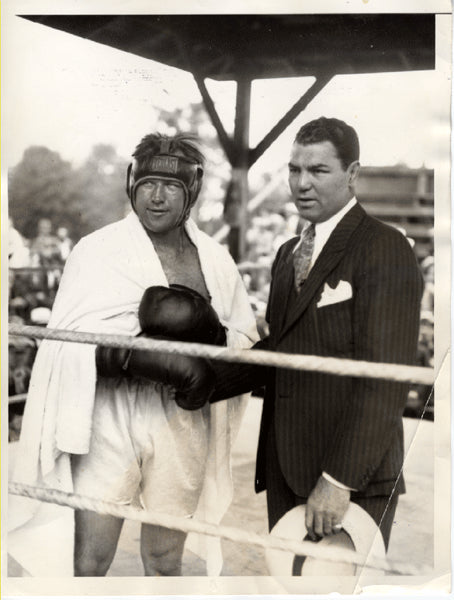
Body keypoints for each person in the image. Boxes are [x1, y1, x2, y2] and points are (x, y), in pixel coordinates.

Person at [13, 133, 258, 577]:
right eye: (147, 184)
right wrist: (133, 358)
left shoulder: (215, 260)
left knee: (165, 560)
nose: (157, 197)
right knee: (91, 558)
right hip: (108, 413)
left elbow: (244, 342)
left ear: (192, 193)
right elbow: (61, 344)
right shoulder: (97, 250)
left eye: (171, 188)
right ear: (132, 184)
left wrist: (208, 338)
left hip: (182, 420)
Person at [213, 117, 423, 552]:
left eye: (318, 171)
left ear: (352, 175)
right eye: (294, 170)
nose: (301, 184)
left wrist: (339, 479)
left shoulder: (385, 248)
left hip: (349, 479)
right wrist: (199, 379)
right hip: (284, 470)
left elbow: (386, 378)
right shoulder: (289, 252)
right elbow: (280, 349)